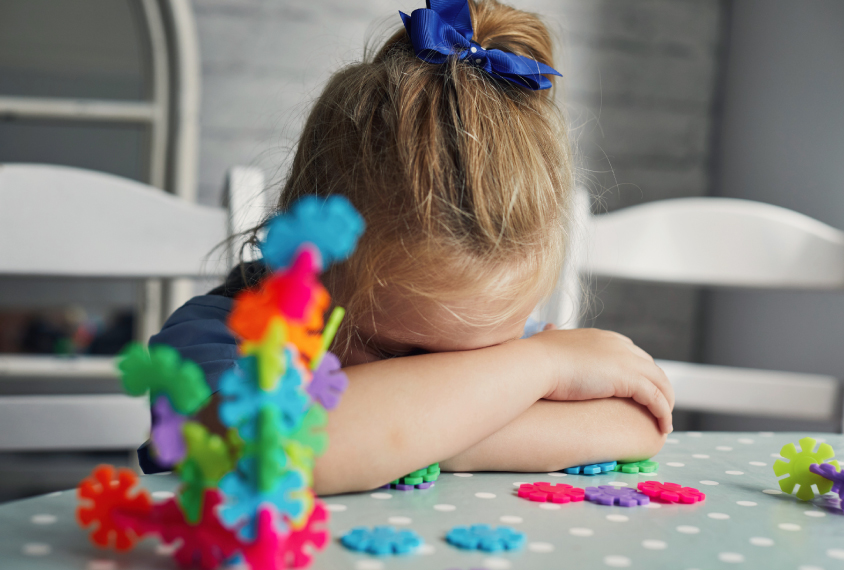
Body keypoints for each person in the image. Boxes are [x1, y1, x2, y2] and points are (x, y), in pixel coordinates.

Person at [147, 0, 673, 495]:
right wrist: (538, 369)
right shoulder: (218, 341)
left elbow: (637, 421)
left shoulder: (492, 338)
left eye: (487, 357)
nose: (448, 377)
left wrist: (398, 439)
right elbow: (266, 451)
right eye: (399, 355)